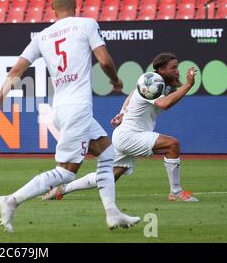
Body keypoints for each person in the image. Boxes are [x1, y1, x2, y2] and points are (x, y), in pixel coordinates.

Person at [0, 0, 141, 233]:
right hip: (78, 108)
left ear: (52, 7)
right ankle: (11, 200)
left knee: (107, 153)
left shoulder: (42, 36)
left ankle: (112, 213)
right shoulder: (87, 24)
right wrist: (115, 81)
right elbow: (106, 60)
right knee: (65, 173)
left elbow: (15, 72)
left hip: (60, 108)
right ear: (76, 5)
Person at [42, 53, 199, 203]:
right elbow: (164, 104)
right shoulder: (152, 80)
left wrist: (122, 112)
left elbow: (133, 93)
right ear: (161, 69)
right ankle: (176, 192)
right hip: (130, 135)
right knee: (172, 145)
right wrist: (188, 84)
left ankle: (62, 189)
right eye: (174, 67)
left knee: (107, 177)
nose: (177, 71)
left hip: (126, 135)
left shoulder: (158, 83)